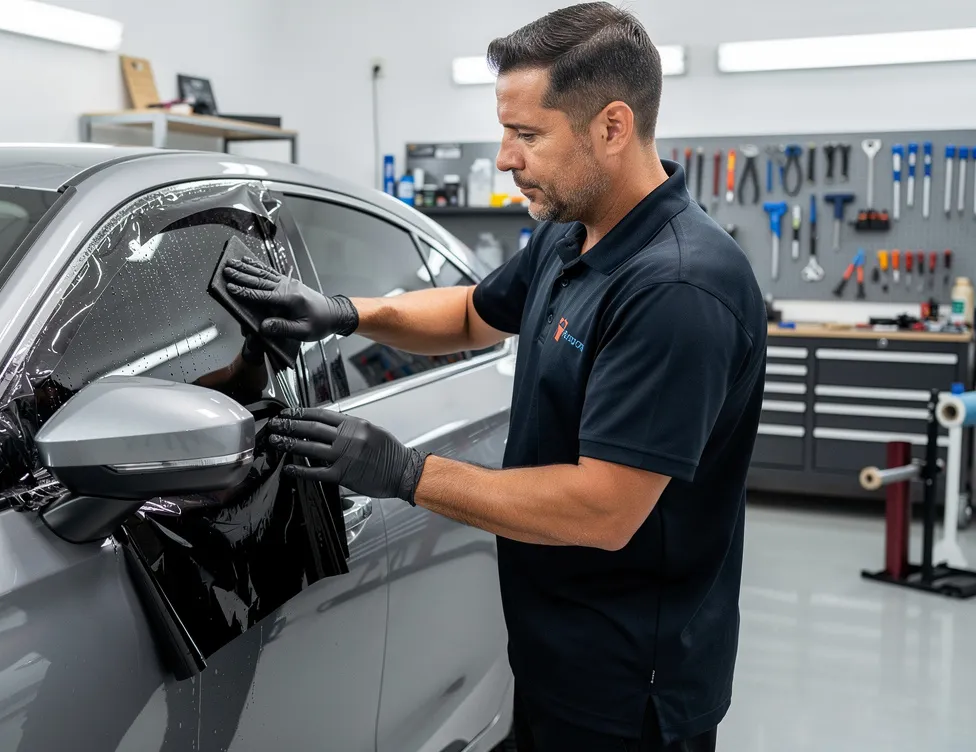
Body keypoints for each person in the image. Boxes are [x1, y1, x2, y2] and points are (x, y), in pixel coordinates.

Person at [221, 4, 765, 751]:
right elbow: (475, 313)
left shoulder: (676, 289)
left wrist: (406, 471)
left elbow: (603, 511)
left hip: (630, 686)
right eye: (506, 131)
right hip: (554, 653)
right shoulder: (572, 233)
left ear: (612, 127)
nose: (506, 157)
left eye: (528, 134)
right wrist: (345, 312)